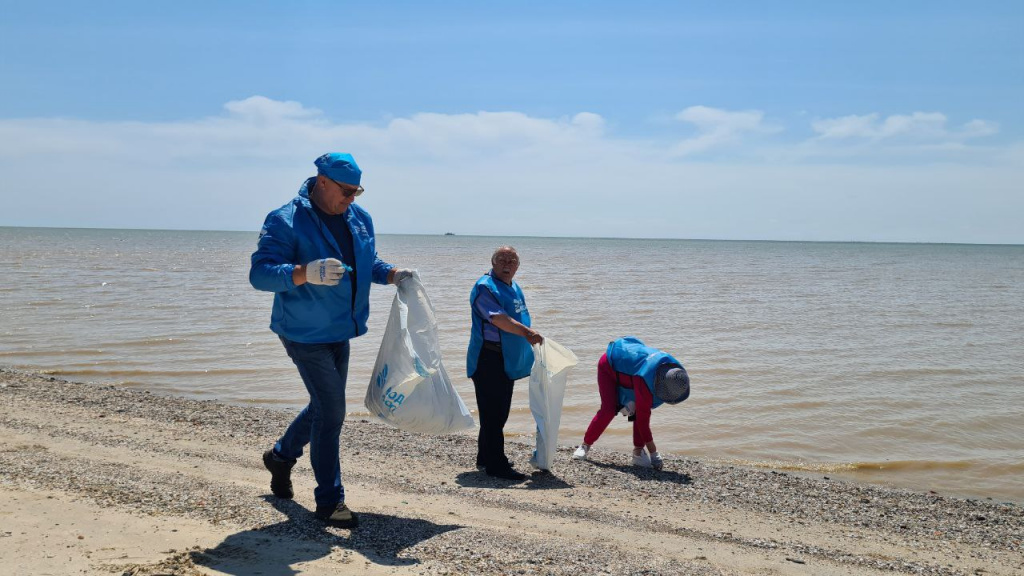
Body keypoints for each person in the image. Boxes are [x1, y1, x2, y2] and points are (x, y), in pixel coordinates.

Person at [249, 152, 413, 528]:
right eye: (346, 191)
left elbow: (365, 262)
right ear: (322, 181)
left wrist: (392, 274)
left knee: (324, 407)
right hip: (303, 333)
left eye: (357, 191)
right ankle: (329, 501)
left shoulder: (359, 218)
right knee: (332, 411)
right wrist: (304, 272)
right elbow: (260, 274)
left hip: (341, 329)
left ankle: (280, 456)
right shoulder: (285, 219)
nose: (352, 199)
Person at [467, 246, 543, 481]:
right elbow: (499, 319)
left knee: (495, 413)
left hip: (506, 358)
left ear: (518, 265)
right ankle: (496, 465)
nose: (507, 263)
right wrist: (528, 333)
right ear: (493, 263)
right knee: (494, 414)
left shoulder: (513, 286)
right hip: (488, 358)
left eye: (512, 260)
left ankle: (485, 457)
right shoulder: (484, 287)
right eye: (501, 259)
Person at [572, 336, 690, 470]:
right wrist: (654, 454)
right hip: (609, 366)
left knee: (638, 409)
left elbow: (641, 413)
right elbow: (643, 420)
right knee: (609, 410)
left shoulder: (675, 372)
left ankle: (638, 452)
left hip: (632, 374)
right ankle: (585, 445)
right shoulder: (646, 380)